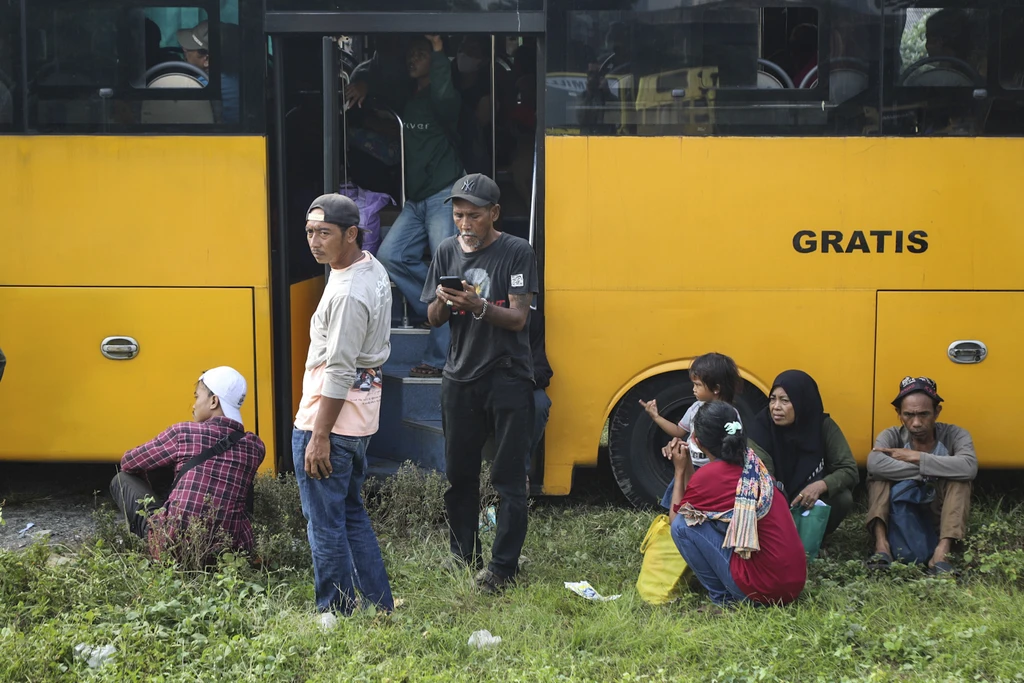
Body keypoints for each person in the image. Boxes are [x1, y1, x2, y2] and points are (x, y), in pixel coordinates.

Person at [421, 173, 539, 594]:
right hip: (458, 376)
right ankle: (463, 555)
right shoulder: (446, 250)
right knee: (459, 476)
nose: (465, 224)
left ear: (494, 213)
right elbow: (432, 318)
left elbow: (519, 318)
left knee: (509, 479)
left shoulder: (517, 251)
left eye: (473, 215)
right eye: (458, 215)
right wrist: (443, 300)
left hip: (508, 376)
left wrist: (479, 305)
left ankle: (502, 568)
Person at [292, 193, 395, 622]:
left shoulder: (349, 293)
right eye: (309, 232)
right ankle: (379, 604)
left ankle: (334, 613)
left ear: (351, 233)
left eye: (325, 233)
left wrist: (318, 436)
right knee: (350, 512)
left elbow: (339, 370)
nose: (314, 242)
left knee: (324, 521)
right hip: (359, 418)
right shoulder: (369, 267)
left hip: (329, 421)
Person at [346, 35, 464, 378]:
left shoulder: (442, 97)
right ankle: (436, 310)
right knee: (390, 256)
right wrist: (364, 84)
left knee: (445, 272)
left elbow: (446, 96)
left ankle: (440, 358)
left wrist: (439, 52)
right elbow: (382, 89)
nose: (413, 59)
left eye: (420, 54)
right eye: (411, 54)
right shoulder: (409, 95)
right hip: (415, 199)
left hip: (443, 193)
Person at [109, 367, 265, 557]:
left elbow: (128, 462)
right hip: (227, 554)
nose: (193, 405)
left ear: (214, 401)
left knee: (121, 479)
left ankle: (150, 547)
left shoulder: (183, 432)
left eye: (197, 397)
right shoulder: (255, 447)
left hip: (171, 547)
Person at [667, 401, 806, 608]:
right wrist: (687, 463)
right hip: (793, 584)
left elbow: (676, 519)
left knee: (681, 526)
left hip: (763, 591)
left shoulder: (710, 475)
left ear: (695, 440)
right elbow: (695, 500)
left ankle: (723, 599)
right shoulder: (752, 460)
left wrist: (679, 471)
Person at [866, 376, 977, 574]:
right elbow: (874, 464)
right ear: (899, 413)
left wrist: (916, 457)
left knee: (960, 480)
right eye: (908, 415)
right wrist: (934, 470)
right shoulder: (891, 435)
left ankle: (942, 554)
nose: (916, 423)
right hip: (901, 507)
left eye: (924, 414)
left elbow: (968, 467)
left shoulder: (955, 435)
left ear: (937, 412)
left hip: (939, 508)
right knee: (878, 478)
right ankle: (882, 547)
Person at [748, 370, 859, 536]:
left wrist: (820, 486)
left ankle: (813, 537)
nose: (776, 407)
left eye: (785, 401)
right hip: (772, 503)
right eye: (772, 399)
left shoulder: (822, 426)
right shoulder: (760, 430)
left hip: (806, 501)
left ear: (802, 402)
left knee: (842, 498)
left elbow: (849, 469)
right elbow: (764, 481)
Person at [175, 20, 240, 124]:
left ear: (206, 60)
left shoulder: (200, 85)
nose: (184, 49)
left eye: (189, 49)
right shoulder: (238, 78)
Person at [527, 300, 553, 483]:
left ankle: (519, 470)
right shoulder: (480, 316)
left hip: (520, 385)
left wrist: (521, 381)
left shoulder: (533, 321)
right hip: (485, 385)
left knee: (540, 403)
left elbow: (543, 370)